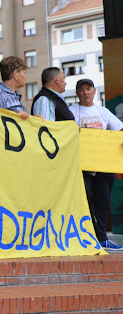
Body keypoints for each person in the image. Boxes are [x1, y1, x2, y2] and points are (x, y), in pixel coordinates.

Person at [69, 78, 123, 251]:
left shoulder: (103, 111)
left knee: (102, 202)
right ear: (77, 93)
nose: (85, 92)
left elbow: (119, 129)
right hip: (80, 167)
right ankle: (83, 238)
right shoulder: (71, 111)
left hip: (102, 167)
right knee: (83, 202)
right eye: (82, 89)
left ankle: (102, 238)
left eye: (88, 89)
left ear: (94, 91)